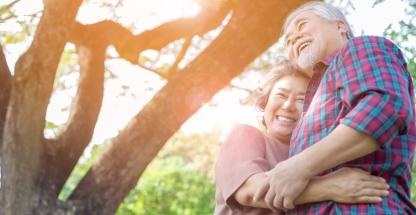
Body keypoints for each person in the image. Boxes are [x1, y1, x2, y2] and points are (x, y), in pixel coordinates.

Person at [253, 2, 416, 214]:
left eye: (302, 25)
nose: (293, 38)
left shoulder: (359, 48)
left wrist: (298, 166)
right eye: (288, 40)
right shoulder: (313, 105)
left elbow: (384, 107)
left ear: (340, 27)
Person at [214, 58, 389, 215]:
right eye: (281, 95)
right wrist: (330, 186)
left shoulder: (316, 157)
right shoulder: (245, 135)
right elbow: (250, 191)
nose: (288, 106)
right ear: (265, 102)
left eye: (301, 100)